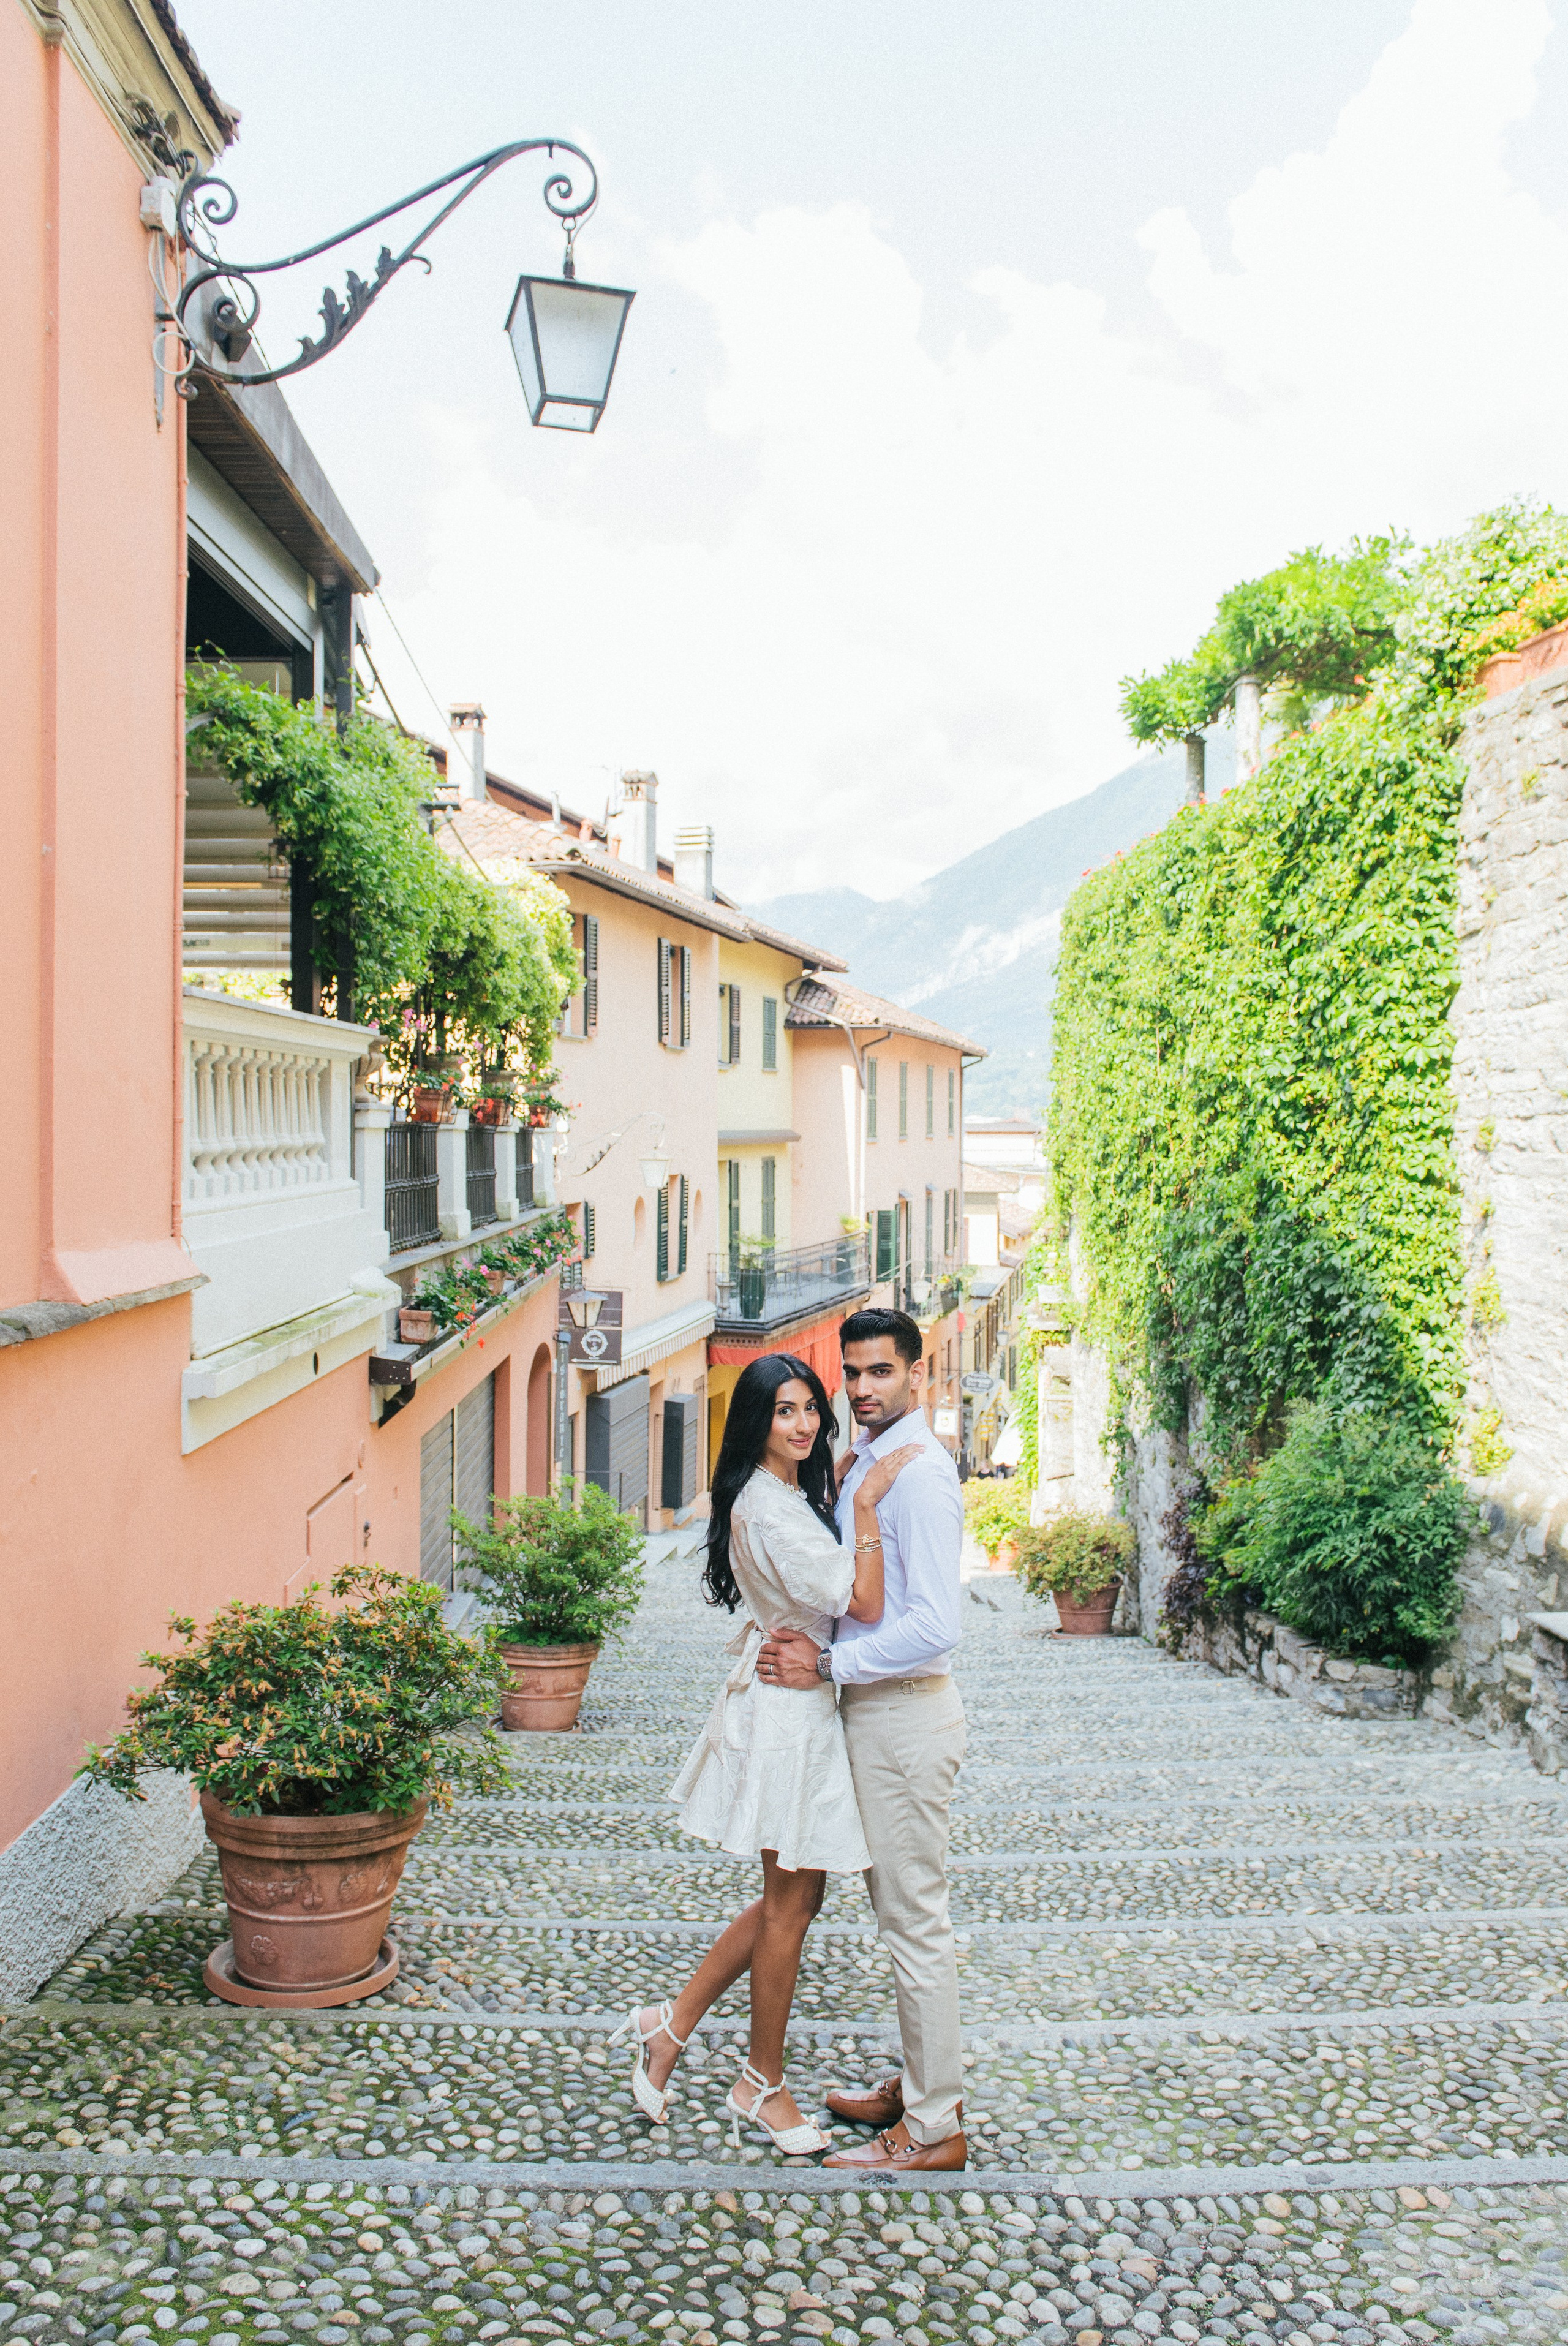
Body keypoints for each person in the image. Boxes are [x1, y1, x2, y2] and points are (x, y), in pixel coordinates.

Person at [609, 1351, 919, 2154]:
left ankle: (671, 2026)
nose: (807, 1422)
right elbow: (866, 1598)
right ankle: (761, 2083)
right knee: (790, 1907)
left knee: (794, 1902)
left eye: (811, 1407)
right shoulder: (772, 1507)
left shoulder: (765, 1491)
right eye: (786, 1411)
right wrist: (866, 1510)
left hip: (789, 1703)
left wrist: (837, 1479)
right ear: (757, 1420)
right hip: (791, 1717)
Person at [756, 1305, 968, 2171]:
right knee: (899, 1915)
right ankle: (921, 2083)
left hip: (904, 1712)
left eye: (881, 1371)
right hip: (876, 1714)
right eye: (853, 1373)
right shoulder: (869, 1464)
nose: (863, 1388)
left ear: (917, 1372)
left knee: (915, 1921)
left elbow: (936, 1625)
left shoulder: (919, 1476)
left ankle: (933, 2129)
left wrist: (831, 1665)